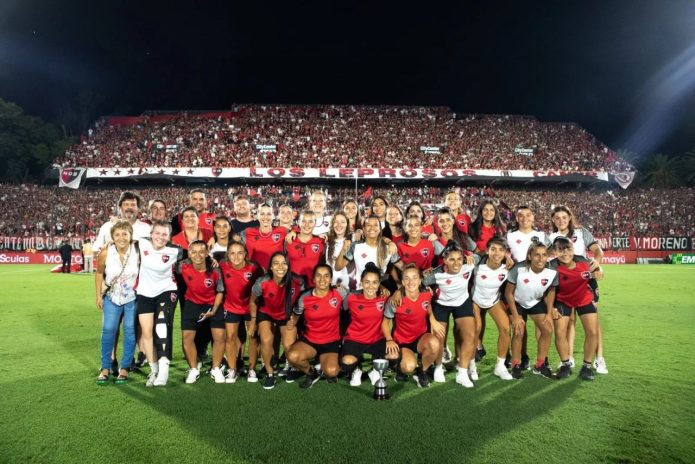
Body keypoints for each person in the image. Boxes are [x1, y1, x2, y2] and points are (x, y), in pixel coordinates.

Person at [549, 205, 607, 374]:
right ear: (553, 220)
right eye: (557, 218)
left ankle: (599, 359)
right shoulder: (551, 237)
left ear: (569, 217)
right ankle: (568, 360)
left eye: (564, 217)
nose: (561, 220)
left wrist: (597, 265)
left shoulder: (581, 232)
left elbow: (597, 251)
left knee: (593, 324)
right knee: (567, 323)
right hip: (564, 282)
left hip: (585, 279)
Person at [420, 241, 480, 387]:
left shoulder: (469, 264)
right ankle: (439, 367)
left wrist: (471, 255)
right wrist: (425, 285)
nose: (456, 263)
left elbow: (483, 255)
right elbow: (420, 282)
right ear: (445, 260)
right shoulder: (436, 273)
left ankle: (463, 372)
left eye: (459, 259)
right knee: (439, 338)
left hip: (462, 302)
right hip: (441, 305)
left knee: (470, 336)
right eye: (451, 259)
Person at [135, 221, 183, 387]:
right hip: (144, 293)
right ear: (151, 233)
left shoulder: (176, 250)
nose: (160, 237)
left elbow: (196, 257)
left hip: (167, 290)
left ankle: (164, 370)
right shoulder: (141, 243)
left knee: (162, 326)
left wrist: (210, 260)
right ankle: (153, 369)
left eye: (164, 234)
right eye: (157, 233)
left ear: (169, 236)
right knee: (147, 332)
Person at [249, 252, 305, 389]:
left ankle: (292, 367)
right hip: (266, 313)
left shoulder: (298, 282)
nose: (280, 266)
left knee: (288, 345)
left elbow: (302, 300)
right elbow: (252, 301)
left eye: (284, 263)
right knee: (266, 340)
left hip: (286, 314)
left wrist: (296, 318)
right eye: (276, 263)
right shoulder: (262, 282)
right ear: (271, 267)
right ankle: (270, 373)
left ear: (289, 266)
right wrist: (253, 321)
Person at [286, 264, 348, 389]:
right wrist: (291, 321)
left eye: (326, 276)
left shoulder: (340, 292)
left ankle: (328, 362)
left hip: (331, 341)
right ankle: (312, 372)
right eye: (318, 276)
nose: (322, 279)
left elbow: (358, 297)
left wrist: (381, 290)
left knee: (332, 371)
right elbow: (296, 315)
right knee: (293, 356)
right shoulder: (305, 297)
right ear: (313, 279)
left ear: (331, 279)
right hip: (310, 341)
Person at [505, 238, 558, 380]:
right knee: (518, 331)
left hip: (535, 301)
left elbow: (551, 291)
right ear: (530, 256)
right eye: (537, 255)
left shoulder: (552, 272)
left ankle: (540, 365)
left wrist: (548, 312)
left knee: (547, 329)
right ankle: (516, 365)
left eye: (544, 255)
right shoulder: (519, 269)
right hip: (517, 302)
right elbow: (508, 293)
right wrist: (516, 317)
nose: (541, 258)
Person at [382, 264, 442, 388]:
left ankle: (422, 372)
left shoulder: (426, 293)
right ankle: (400, 367)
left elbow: (427, 306)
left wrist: (432, 319)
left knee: (435, 343)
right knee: (408, 367)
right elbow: (384, 322)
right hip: (402, 341)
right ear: (403, 282)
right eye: (407, 278)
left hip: (420, 338)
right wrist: (389, 340)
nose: (411, 282)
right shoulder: (395, 301)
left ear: (420, 281)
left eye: (414, 278)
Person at [94, 221, 139, 384]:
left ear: (131, 235)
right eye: (117, 235)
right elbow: (99, 273)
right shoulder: (106, 252)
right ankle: (105, 367)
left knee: (129, 331)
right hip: (112, 297)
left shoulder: (138, 250)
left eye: (125, 234)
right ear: (112, 237)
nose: (121, 238)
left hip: (132, 299)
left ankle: (125, 368)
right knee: (108, 330)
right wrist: (98, 295)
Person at [177, 241, 225, 384]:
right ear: (189, 253)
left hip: (212, 304)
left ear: (206, 254)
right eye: (193, 252)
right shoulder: (182, 266)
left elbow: (220, 291)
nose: (197, 255)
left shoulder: (215, 270)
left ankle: (215, 368)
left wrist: (214, 310)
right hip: (192, 304)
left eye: (201, 252)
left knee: (219, 336)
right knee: (186, 337)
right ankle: (194, 369)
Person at [219, 241, 264, 383]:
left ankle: (251, 369)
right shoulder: (222, 266)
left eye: (240, 252)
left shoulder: (254, 268)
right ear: (227, 255)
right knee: (230, 337)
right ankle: (232, 370)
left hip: (250, 308)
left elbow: (261, 290)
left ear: (245, 253)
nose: (236, 256)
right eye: (232, 253)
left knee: (253, 337)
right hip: (231, 307)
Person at [340, 263, 389, 387]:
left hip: (377, 339)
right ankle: (357, 370)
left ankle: (375, 372)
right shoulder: (351, 298)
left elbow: (403, 293)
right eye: (367, 282)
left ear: (379, 284)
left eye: (374, 282)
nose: (371, 286)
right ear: (361, 282)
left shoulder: (384, 298)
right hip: (355, 338)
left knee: (393, 356)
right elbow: (340, 311)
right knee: (346, 363)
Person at [471, 237, 513, 381]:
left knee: (506, 327)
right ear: (487, 251)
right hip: (474, 300)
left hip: (493, 300)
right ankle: (471, 365)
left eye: (501, 250)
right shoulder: (478, 263)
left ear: (506, 253)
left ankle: (500, 366)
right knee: (476, 327)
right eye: (493, 249)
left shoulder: (508, 267)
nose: (497, 253)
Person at [468, 199, 505, 361]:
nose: (489, 212)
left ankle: (504, 352)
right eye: (486, 209)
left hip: (496, 274)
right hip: (477, 272)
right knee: (478, 317)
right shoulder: (473, 228)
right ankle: (477, 346)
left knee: (500, 316)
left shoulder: (500, 229)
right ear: (481, 211)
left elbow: (503, 250)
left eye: (492, 210)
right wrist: (483, 254)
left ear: (496, 212)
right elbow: (471, 250)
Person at [335, 216, 402, 291]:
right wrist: (343, 250)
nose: (372, 228)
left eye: (375, 225)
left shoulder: (388, 247)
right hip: (360, 290)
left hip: (382, 290)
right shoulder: (356, 246)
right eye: (368, 225)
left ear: (380, 229)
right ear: (363, 229)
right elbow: (338, 267)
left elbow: (402, 266)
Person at [93, 191, 151, 256]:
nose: (129, 207)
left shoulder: (146, 229)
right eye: (126, 204)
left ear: (138, 208)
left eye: (133, 205)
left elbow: (150, 253)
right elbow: (95, 251)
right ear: (120, 207)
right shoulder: (107, 227)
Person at [240, 203, 287, 271]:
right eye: (262, 214)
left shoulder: (282, 231)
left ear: (273, 216)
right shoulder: (248, 232)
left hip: (275, 276)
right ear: (257, 216)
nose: (265, 217)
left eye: (269, 214)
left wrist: (293, 232)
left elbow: (299, 233)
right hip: (254, 276)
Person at [285, 210, 325, 287]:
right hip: (291, 287)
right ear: (298, 223)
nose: (307, 225)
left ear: (315, 223)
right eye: (303, 221)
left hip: (312, 287)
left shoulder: (321, 242)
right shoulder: (289, 240)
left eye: (310, 221)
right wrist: (294, 231)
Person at [325, 212, 352, 290]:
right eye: (336, 222)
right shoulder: (327, 241)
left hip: (349, 289)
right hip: (331, 288)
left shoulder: (353, 241)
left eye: (342, 222)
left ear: (347, 224)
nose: (339, 225)